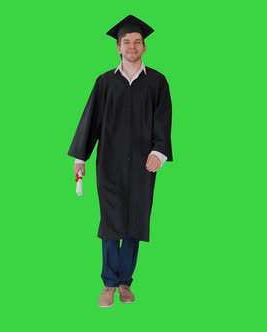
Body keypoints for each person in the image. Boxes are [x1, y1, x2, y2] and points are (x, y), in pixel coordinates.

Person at [68, 14, 173, 308]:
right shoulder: (104, 82)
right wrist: (80, 157)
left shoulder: (157, 82)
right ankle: (109, 283)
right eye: (126, 41)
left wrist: (159, 152)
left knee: (135, 221)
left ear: (144, 48)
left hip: (143, 164)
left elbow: (163, 120)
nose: (132, 46)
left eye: (137, 42)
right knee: (112, 221)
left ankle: (126, 281)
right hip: (110, 164)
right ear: (117, 47)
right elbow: (90, 121)